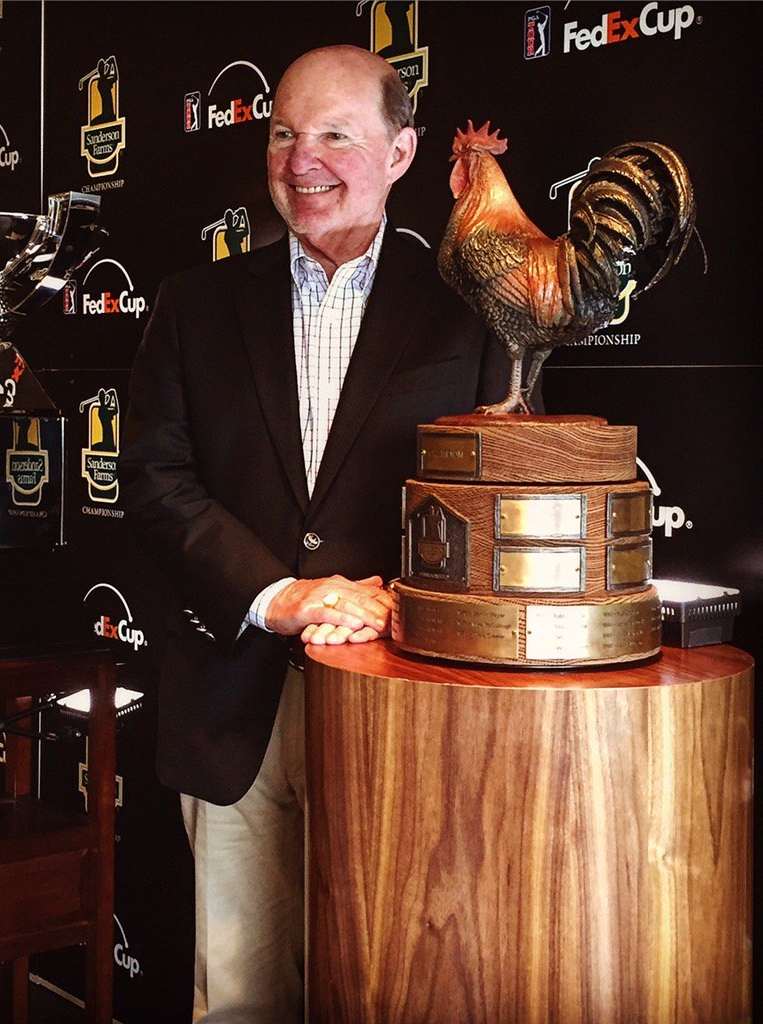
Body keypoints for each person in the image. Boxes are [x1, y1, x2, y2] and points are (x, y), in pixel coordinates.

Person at [120, 44, 518, 1023]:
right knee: (242, 996)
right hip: (230, 707)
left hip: (399, 710)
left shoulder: (469, 306)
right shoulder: (191, 304)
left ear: (400, 151)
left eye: (336, 134)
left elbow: (496, 500)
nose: (303, 159)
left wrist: (394, 601)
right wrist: (280, 595)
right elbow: (154, 480)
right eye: (284, 133)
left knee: (387, 988)